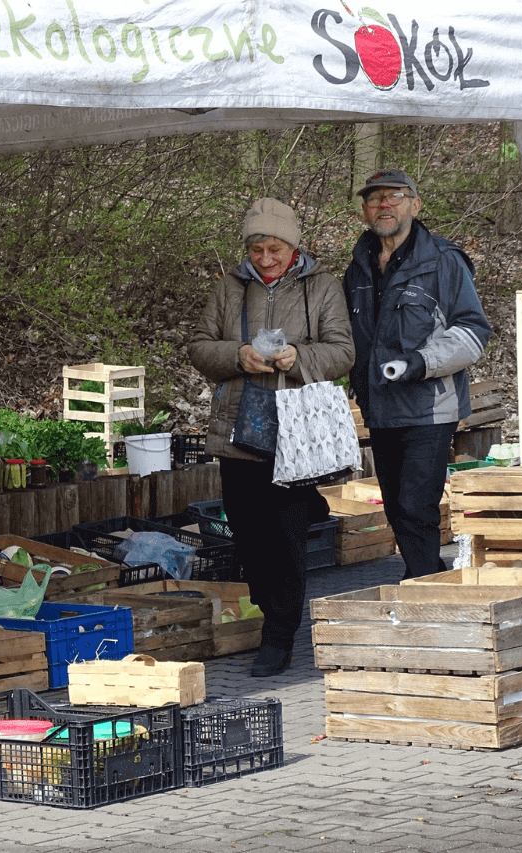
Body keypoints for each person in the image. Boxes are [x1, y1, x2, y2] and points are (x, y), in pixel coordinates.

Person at [189, 198, 355, 677]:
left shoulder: (322, 287)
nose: (264, 258)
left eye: (274, 248)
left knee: (285, 537)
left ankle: (280, 635)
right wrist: (237, 355)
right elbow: (198, 346)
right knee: (247, 532)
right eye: (257, 248)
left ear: (293, 247)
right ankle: (268, 611)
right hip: (239, 427)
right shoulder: (229, 289)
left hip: (296, 433)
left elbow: (343, 352)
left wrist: (297, 358)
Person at [342, 169, 491, 579]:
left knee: (415, 504)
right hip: (379, 408)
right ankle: (429, 578)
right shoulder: (357, 270)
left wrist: (422, 362)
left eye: (394, 197)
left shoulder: (443, 261)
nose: (384, 206)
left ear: (415, 205)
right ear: (363, 212)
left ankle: (422, 584)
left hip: (429, 407)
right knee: (396, 506)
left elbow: (473, 331)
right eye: (375, 200)